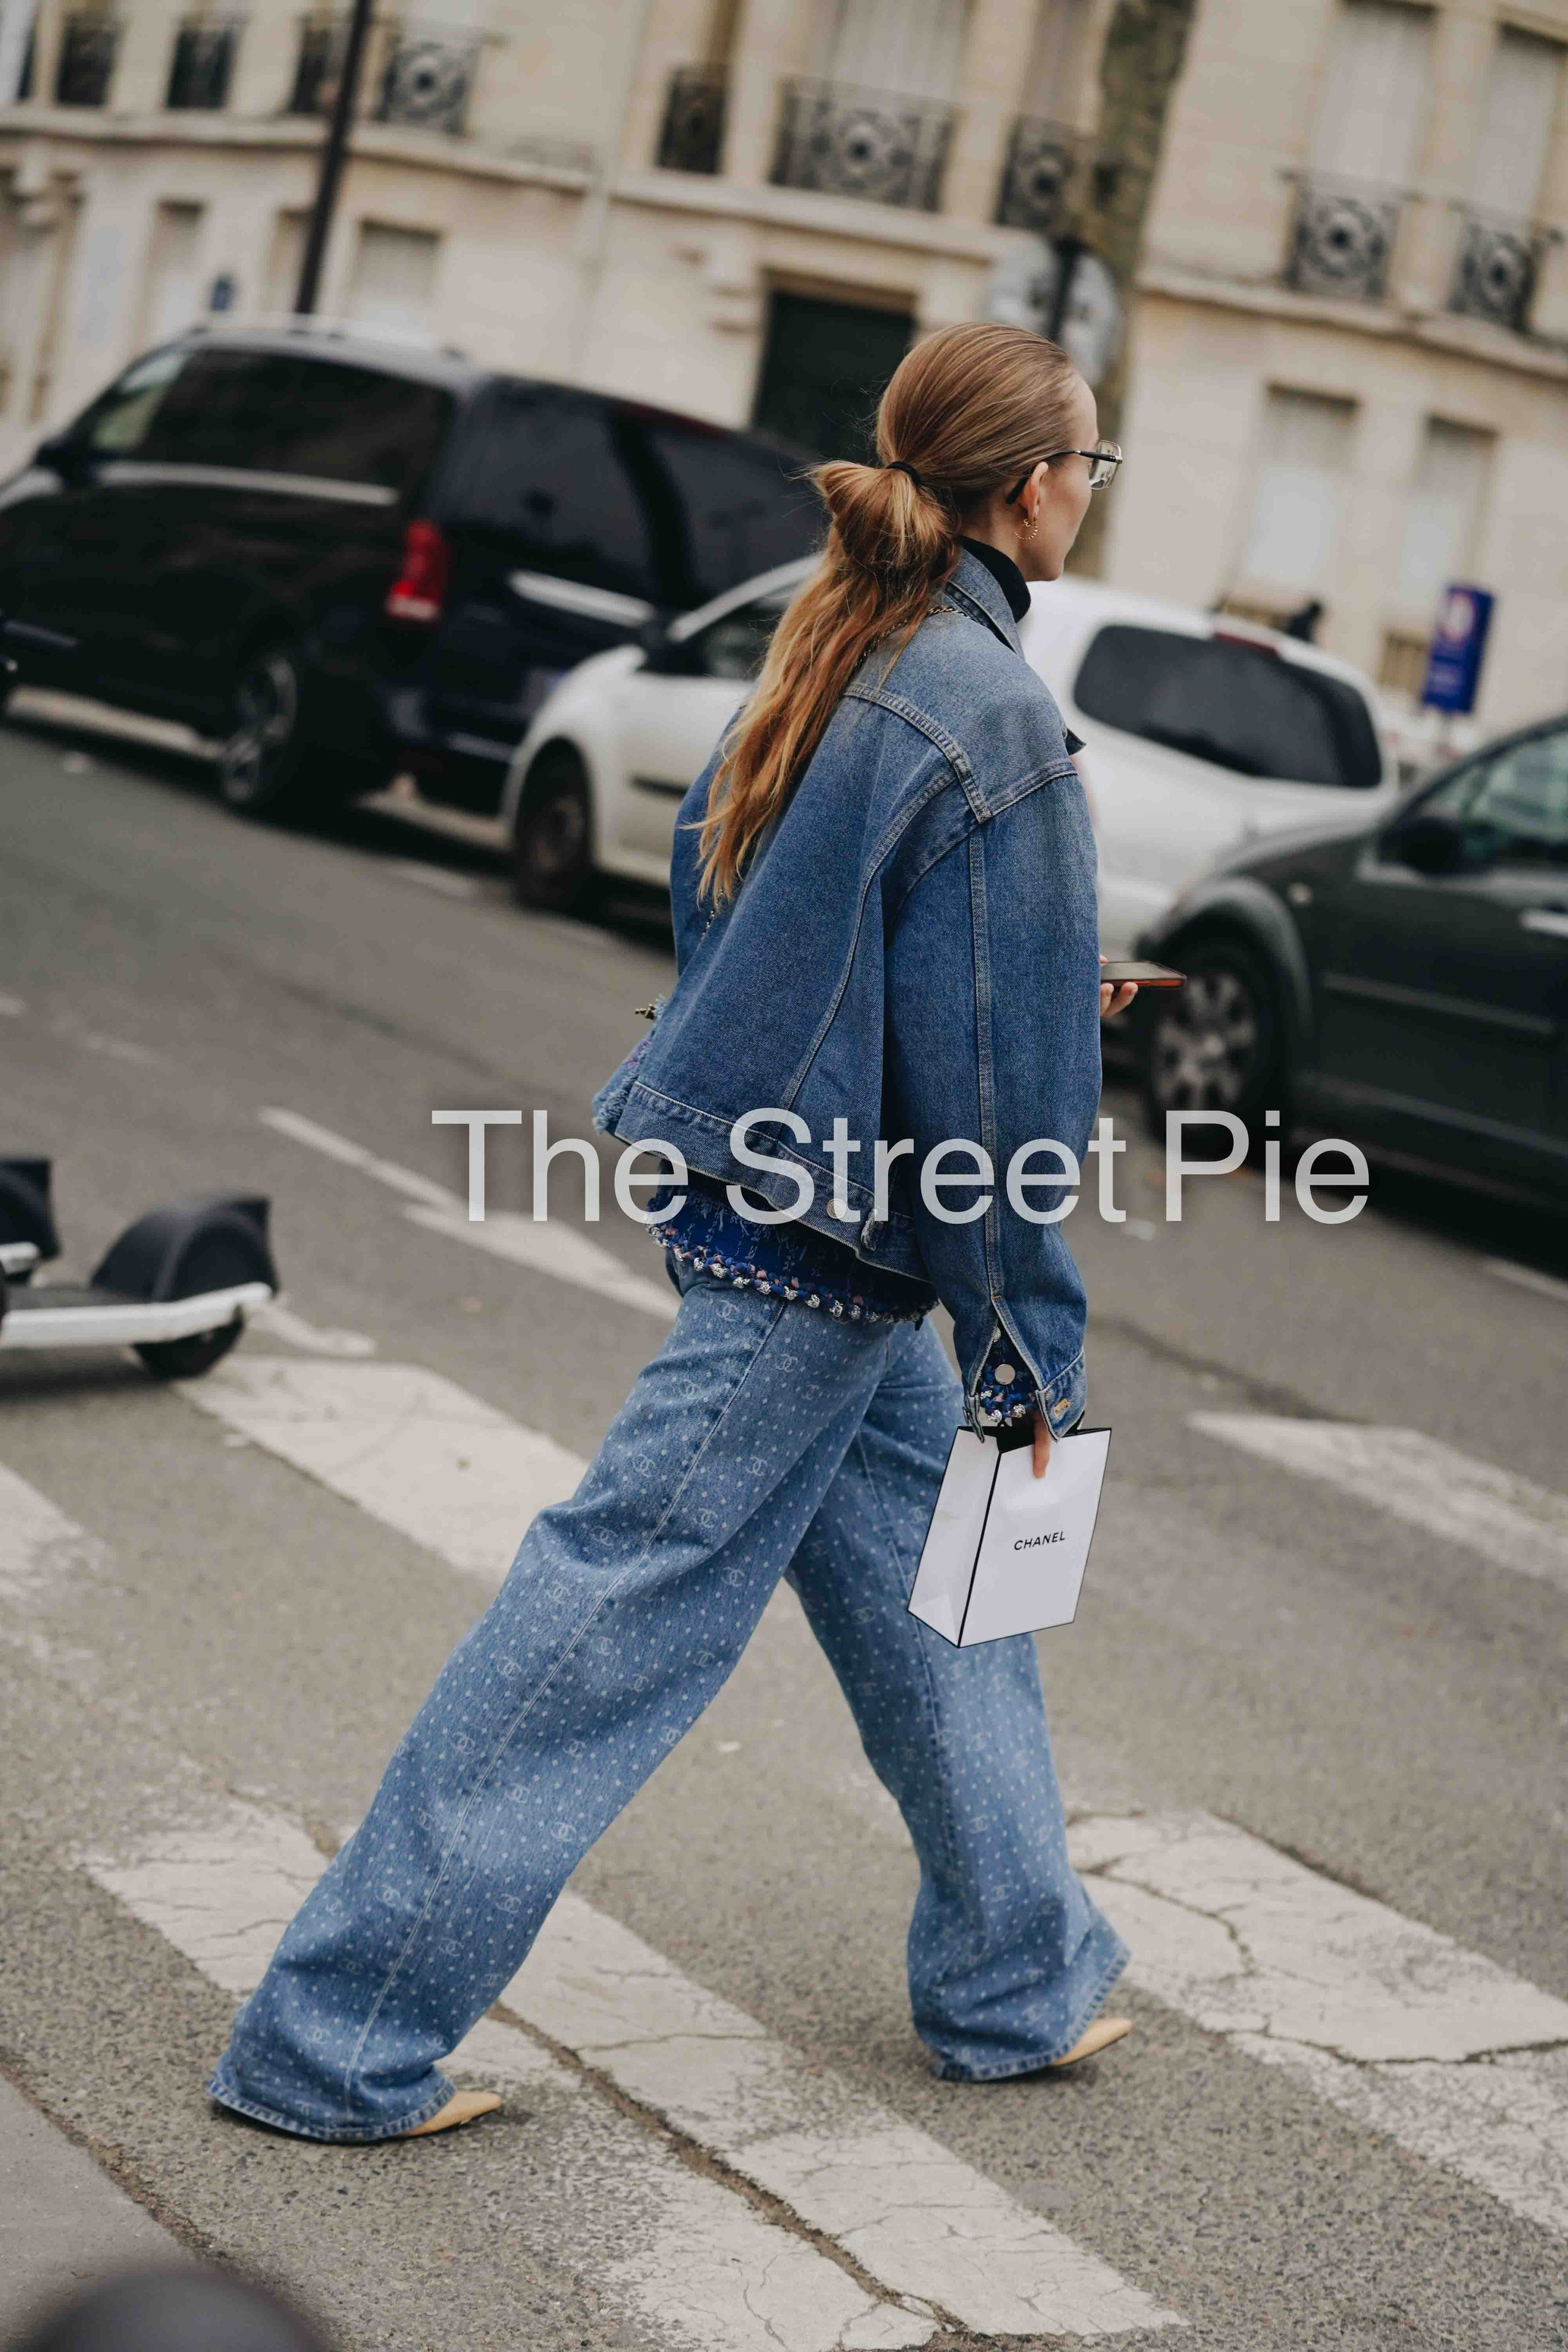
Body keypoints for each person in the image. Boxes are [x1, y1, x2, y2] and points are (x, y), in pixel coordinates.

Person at [208, 322, 1138, 2144]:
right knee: (605, 1620)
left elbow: (737, 890)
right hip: (822, 1248)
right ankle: (333, 2040)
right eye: (1088, 468)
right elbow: (1001, 1106)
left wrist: (996, 985)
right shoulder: (992, 707)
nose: (1087, 496)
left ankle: (1018, 1980)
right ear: (1034, 490)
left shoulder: (840, 635)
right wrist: (1029, 1354)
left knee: (934, 1602)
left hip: (774, 1201)